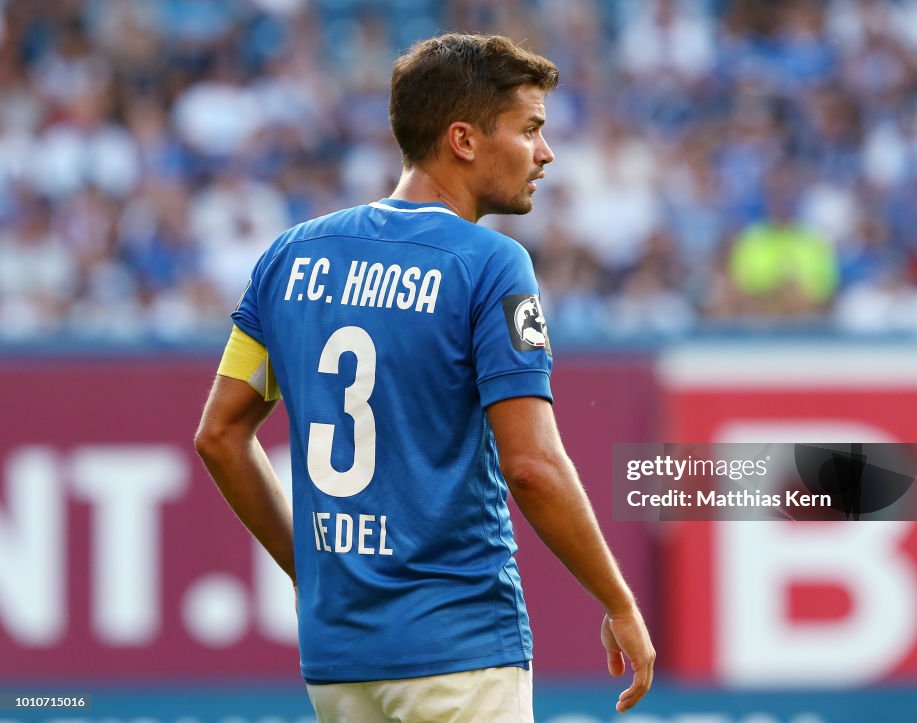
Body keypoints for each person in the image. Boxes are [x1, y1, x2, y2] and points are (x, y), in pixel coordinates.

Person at [194, 32, 654, 722]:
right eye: (530, 129)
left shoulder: (289, 256)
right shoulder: (492, 265)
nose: (546, 153)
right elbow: (531, 465)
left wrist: (310, 571)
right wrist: (618, 599)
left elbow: (220, 434)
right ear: (463, 139)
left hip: (338, 662)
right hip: (458, 651)